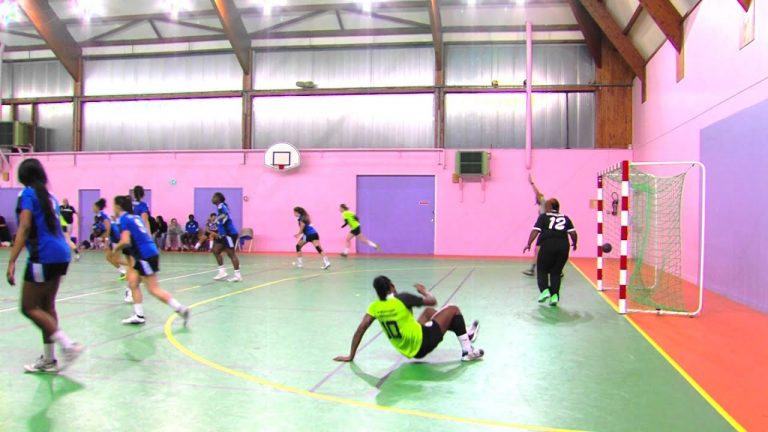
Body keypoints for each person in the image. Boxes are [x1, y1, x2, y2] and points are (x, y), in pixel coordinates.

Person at [5, 158, 84, 373]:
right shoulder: (51, 197)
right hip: (61, 254)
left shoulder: (27, 194)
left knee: (28, 307)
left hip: (44, 255)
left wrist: (11, 261)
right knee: (47, 306)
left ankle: (67, 345)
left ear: (23, 176)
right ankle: (50, 360)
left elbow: (24, 227)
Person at [334, 275, 483, 363]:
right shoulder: (402, 298)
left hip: (409, 350)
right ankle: (467, 351)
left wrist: (351, 355)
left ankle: (466, 333)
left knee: (428, 313)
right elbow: (432, 301)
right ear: (392, 286)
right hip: (423, 342)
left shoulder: (374, 307)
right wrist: (424, 291)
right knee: (453, 309)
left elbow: (361, 329)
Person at [110, 195, 189, 326]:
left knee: (153, 289)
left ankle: (180, 308)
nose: (113, 208)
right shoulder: (136, 217)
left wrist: (115, 248)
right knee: (133, 283)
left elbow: (125, 240)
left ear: (118, 206)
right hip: (149, 252)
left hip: (144, 255)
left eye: (113, 205)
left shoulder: (123, 219)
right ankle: (139, 315)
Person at [523, 198, 578, 306]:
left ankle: (544, 291)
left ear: (549, 207)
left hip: (548, 245)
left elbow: (535, 231)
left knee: (542, 270)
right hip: (563, 247)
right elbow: (573, 233)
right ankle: (554, 296)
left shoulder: (544, 217)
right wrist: (575, 243)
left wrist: (529, 243)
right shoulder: (565, 218)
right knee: (556, 272)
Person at [211, 192, 242, 282]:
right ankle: (222, 272)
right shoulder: (220, 207)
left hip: (229, 234)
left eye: (214, 197)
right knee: (215, 250)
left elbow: (225, 215)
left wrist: (216, 219)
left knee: (231, 254)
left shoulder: (221, 206)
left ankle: (238, 275)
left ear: (219, 198)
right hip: (223, 235)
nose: (212, 198)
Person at [94, 198, 127, 280]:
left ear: (97, 207)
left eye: (93, 206)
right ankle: (123, 272)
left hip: (116, 237)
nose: (92, 208)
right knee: (109, 257)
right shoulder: (97, 217)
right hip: (112, 238)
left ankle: (136, 266)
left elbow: (108, 227)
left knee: (116, 259)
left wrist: (106, 241)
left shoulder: (102, 215)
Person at [523, 174, 547, 277]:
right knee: (541, 251)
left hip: (545, 232)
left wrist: (532, 183)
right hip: (545, 232)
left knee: (538, 251)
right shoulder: (543, 207)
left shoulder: (544, 204)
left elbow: (538, 194)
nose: (536, 198)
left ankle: (532, 269)